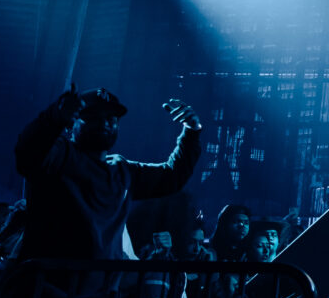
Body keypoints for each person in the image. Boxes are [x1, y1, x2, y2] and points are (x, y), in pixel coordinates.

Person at [15, 87, 201, 263]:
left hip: (97, 284)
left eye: (111, 118)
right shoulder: (58, 155)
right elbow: (28, 151)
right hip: (47, 282)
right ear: (73, 122)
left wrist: (191, 131)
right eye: (93, 117)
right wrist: (54, 118)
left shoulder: (121, 171)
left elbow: (171, 177)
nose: (104, 123)